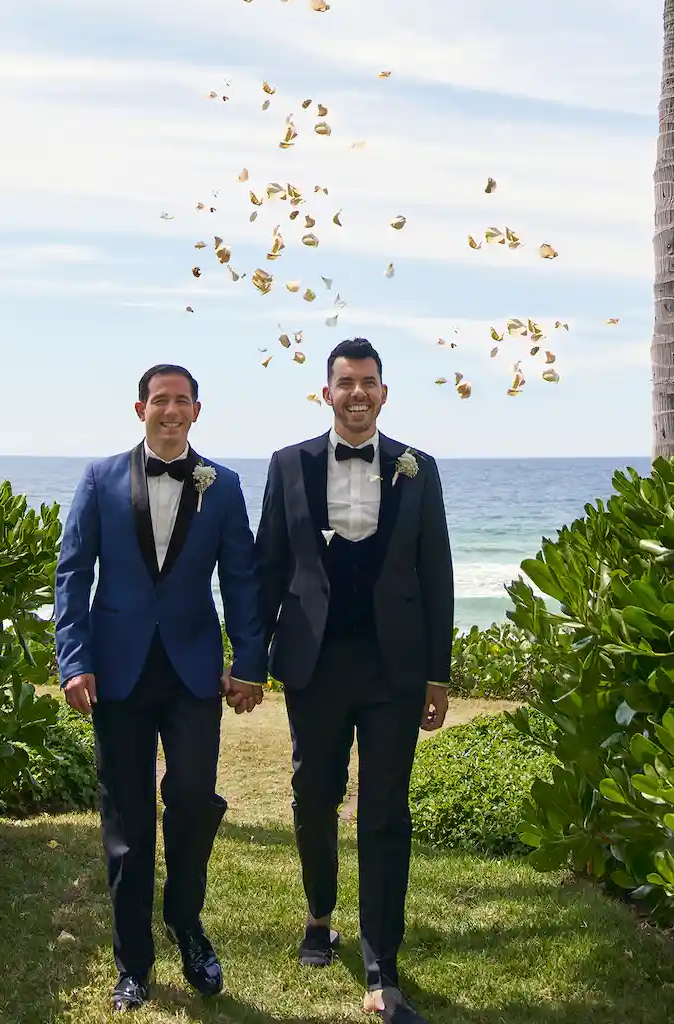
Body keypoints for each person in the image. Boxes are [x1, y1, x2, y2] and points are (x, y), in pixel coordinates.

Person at [55, 362, 265, 1013]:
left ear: (197, 412)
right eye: (160, 401)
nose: (171, 411)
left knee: (194, 801)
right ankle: (133, 963)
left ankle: (186, 921)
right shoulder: (99, 479)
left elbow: (241, 579)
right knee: (125, 821)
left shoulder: (222, 486)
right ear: (140, 407)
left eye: (182, 402)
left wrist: (251, 660)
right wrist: (74, 660)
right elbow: (73, 573)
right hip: (115, 673)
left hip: (192, 671)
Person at [257, 337, 454, 1024]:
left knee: (385, 812)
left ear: (384, 392)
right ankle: (319, 915)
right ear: (327, 392)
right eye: (346, 382)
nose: (358, 393)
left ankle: (381, 963)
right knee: (314, 794)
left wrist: (438, 673)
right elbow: (267, 569)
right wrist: (250, 658)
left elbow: (437, 575)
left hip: (393, 668)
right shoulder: (288, 466)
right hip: (315, 662)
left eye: (369, 382)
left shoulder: (417, 469)